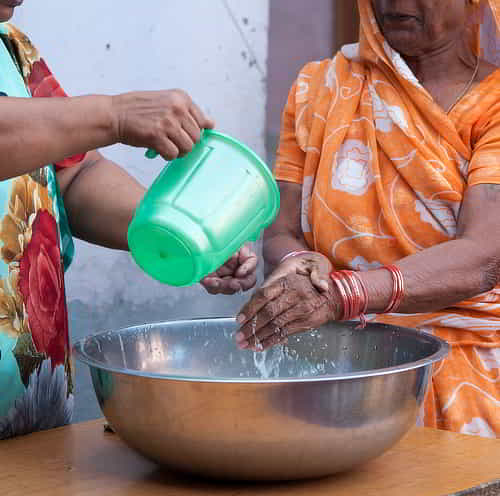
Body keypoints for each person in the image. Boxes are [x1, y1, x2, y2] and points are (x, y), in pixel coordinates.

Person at [236, 0, 500, 438]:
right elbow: (282, 230)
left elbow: (485, 255)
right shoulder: (319, 87)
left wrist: (343, 295)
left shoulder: (493, 104)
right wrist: (301, 266)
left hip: (471, 384)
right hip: (337, 372)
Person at [0, 2, 257, 439]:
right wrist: (114, 115)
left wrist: (178, 233)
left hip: (26, 412)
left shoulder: (12, 47)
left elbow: (75, 174)